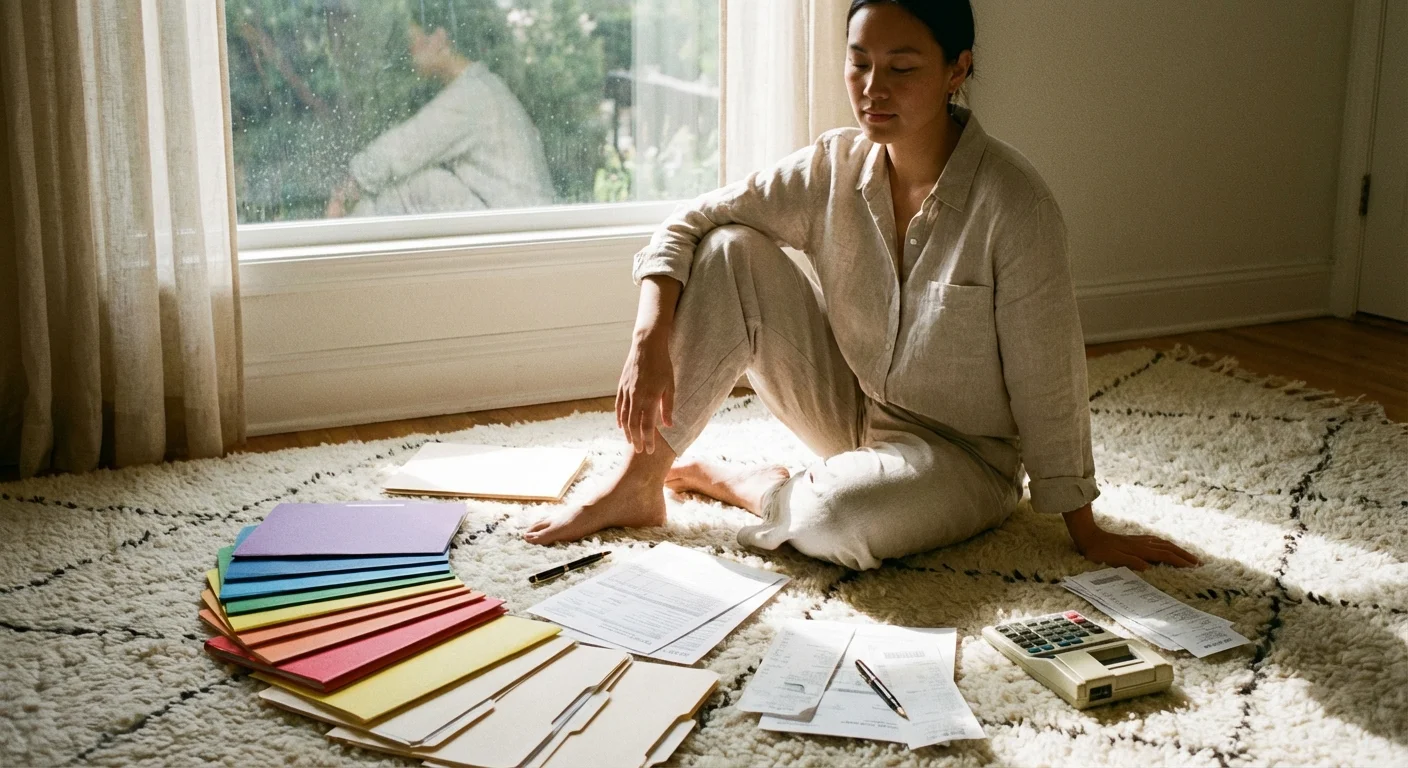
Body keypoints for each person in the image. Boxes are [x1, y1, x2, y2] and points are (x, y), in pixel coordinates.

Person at [524, 0, 1199, 573]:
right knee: (730, 247)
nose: (873, 88)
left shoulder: (1014, 206)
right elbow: (693, 219)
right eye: (859, 62)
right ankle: (641, 482)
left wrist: (1086, 529)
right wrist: (650, 331)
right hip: (851, 409)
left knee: (832, 521)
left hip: (962, 459)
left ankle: (751, 484)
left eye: (902, 68)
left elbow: (1049, 380)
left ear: (957, 70)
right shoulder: (834, 165)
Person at [326, 22, 555, 218]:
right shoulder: (483, 86)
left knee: (424, 186)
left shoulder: (473, 94)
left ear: (438, 37)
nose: (407, 55)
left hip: (518, 234)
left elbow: (404, 146)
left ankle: (341, 240)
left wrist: (345, 193)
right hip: (522, 226)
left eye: (411, 44)